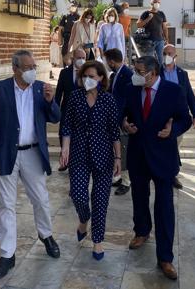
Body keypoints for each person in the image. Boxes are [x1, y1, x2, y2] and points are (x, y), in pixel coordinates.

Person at [0, 50, 61, 279]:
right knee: (6, 204)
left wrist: (50, 100)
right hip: (5, 154)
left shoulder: (40, 88)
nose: (32, 71)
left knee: (41, 199)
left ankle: (46, 235)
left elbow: (55, 117)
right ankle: (7, 254)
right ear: (15, 69)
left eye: (34, 66)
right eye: (27, 67)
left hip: (33, 153)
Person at [122, 56, 192, 280]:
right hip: (138, 155)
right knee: (139, 197)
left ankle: (165, 257)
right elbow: (122, 113)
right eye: (136, 69)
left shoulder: (173, 91)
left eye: (140, 71)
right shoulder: (131, 89)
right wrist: (124, 123)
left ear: (152, 73)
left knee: (164, 207)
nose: (136, 74)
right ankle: (141, 231)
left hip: (163, 157)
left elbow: (185, 119)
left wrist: (173, 130)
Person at [60, 61, 122, 260]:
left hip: (103, 155)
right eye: (85, 76)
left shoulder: (108, 100)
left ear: (101, 78)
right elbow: (67, 124)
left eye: (92, 76)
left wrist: (118, 157)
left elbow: (114, 131)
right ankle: (84, 219)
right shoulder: (75, 97)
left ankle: (97, 241)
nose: (88, 79)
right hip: (78, 154)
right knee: (78, 194)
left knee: (100, 200)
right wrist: (65, 148)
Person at [159, 44, 195, 190]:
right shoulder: (156, 72)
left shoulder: (182, 74)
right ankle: (166, 173)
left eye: (170, 53)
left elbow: (189, 94)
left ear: (175, 56)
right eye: (164, 53)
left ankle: (173, 174)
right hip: (160, 116)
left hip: (178, 117)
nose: (167, 55)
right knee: (164, 146)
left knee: (175, 144)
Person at [105, 48, 133, 196]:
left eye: (107, 61)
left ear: (111, 61)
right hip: (115, 117)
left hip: (122, 119)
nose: (107, 64)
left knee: (123, 149)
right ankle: (118, 177)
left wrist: (125, 118)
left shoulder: (127, 74)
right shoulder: (116, 74)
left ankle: (126, 182)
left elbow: (129, 99)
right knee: (116, 150)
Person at [55, 48, 86, 171]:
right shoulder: (65, 73)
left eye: (84, 58)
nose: (81, 60)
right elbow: (58, 92)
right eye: (79, 58)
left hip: (83, 110)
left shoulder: (88, 73)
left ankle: (78, 160)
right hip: (66, 109)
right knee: (63, 133)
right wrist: (55, 109)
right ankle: (65, 160)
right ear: (73, 58)